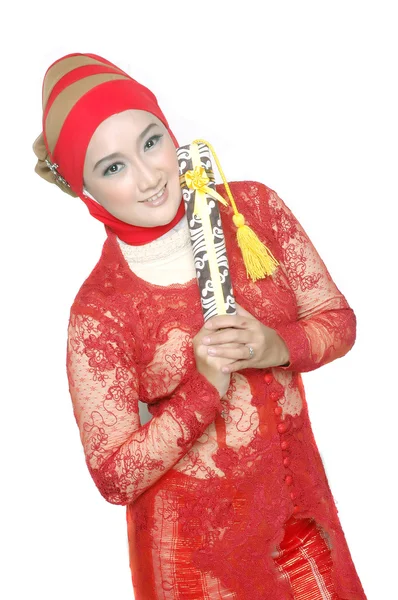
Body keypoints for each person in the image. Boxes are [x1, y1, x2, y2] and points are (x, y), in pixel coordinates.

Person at [33, 52, 367, 600]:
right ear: (83, 187)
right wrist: (203, 388)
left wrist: (277, 345)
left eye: (150, 141)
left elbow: (339, 322)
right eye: (112, 167)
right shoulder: (101, 311)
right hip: (194, 562)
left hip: (299, 518)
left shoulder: (251, 211)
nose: (148, 178)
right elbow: (114, 474)